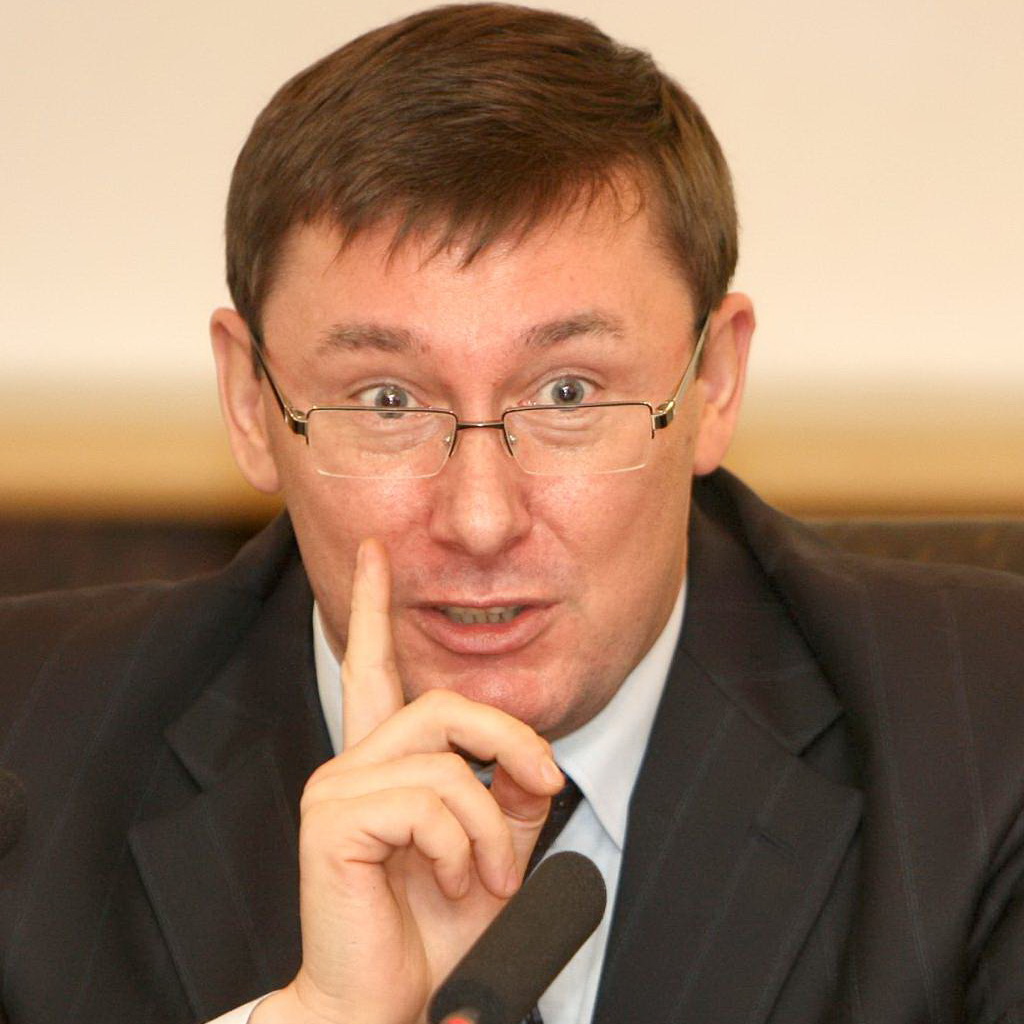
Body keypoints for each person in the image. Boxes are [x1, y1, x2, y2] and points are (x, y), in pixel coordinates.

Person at [0, 5, 1022, 1023]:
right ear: (248, 403)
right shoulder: (24, 758)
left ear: (712, 380)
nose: (481, 520)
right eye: (387, 401)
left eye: (568, 393)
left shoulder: (989, 740)